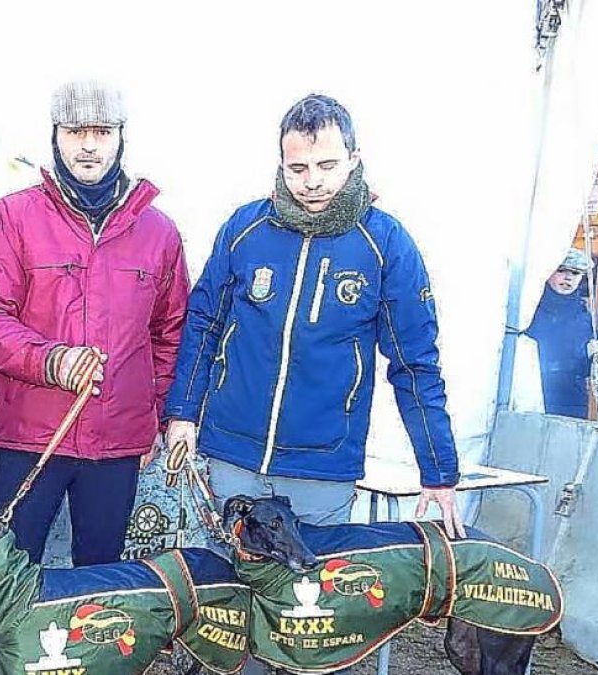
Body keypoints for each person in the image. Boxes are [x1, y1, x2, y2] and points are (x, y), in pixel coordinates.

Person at [164, 93, 464, 540]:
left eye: (327, 166)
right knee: (226, 593)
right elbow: (204, 324)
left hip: (322, 468)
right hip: (231, 456)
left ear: (353, 159)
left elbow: (415, 362)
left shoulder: (386, 244)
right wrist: (183, 413)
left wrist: (437, 468)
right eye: (298, 168)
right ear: (281, 164)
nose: (312, 182)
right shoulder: (245, 229)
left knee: (309, 600)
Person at [0, 78, 189, 565]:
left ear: (121, 136)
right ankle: (0, 648)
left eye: (102, 132)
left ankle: (90, 646)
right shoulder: (13, 217)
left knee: (101, 580)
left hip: (117, 445)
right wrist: (51, 361)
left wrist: (154, 417)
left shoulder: (159, 231)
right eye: (74, 131)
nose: (88, 145)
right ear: (55, 135)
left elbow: (169, 333)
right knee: (5, 574)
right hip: (31, 434)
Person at [525, 248, 594, 418]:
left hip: (571, 398)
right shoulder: (529, 309)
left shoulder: (583, 315)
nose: (568, 278)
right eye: (561, 270)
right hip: (532, 390)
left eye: (576, 273)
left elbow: (587, 363)